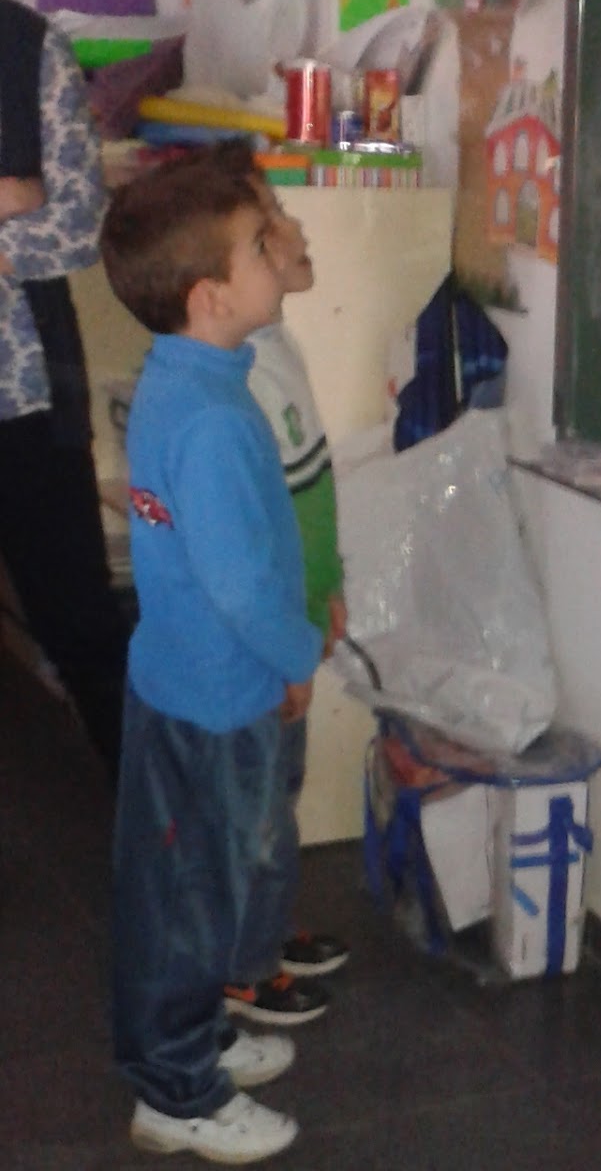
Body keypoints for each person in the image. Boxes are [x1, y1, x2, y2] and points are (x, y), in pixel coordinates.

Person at [100, 148, 324, 1163]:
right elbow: (239, 586)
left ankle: (193, 1040)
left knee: (187, 889)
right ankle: (177, 1091)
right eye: (259, 246)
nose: (279, 251)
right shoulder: (213, 421)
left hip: (180, 683)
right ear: (211, 296)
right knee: (191, 904)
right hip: (218, 696)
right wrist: (297, 655)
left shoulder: (183, 381)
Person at [218, 143, 351, 1027]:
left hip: (293, 625)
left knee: (278, 796)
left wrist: (327, 588)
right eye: (271, 222)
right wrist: (285, 652)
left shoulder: (273, 346)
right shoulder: (242, 375)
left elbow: (311, 499)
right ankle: (241, 966)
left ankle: (262, 930)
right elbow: (255, 543)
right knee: (255, 812)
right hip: (264, 647)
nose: (294, 228)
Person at [0, 0, 128, 778]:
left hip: (26, 394)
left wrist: (37, 202)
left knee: (80, 621)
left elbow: (79, 223)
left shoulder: (26, 46)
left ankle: (149, 818)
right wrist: (13, 196)